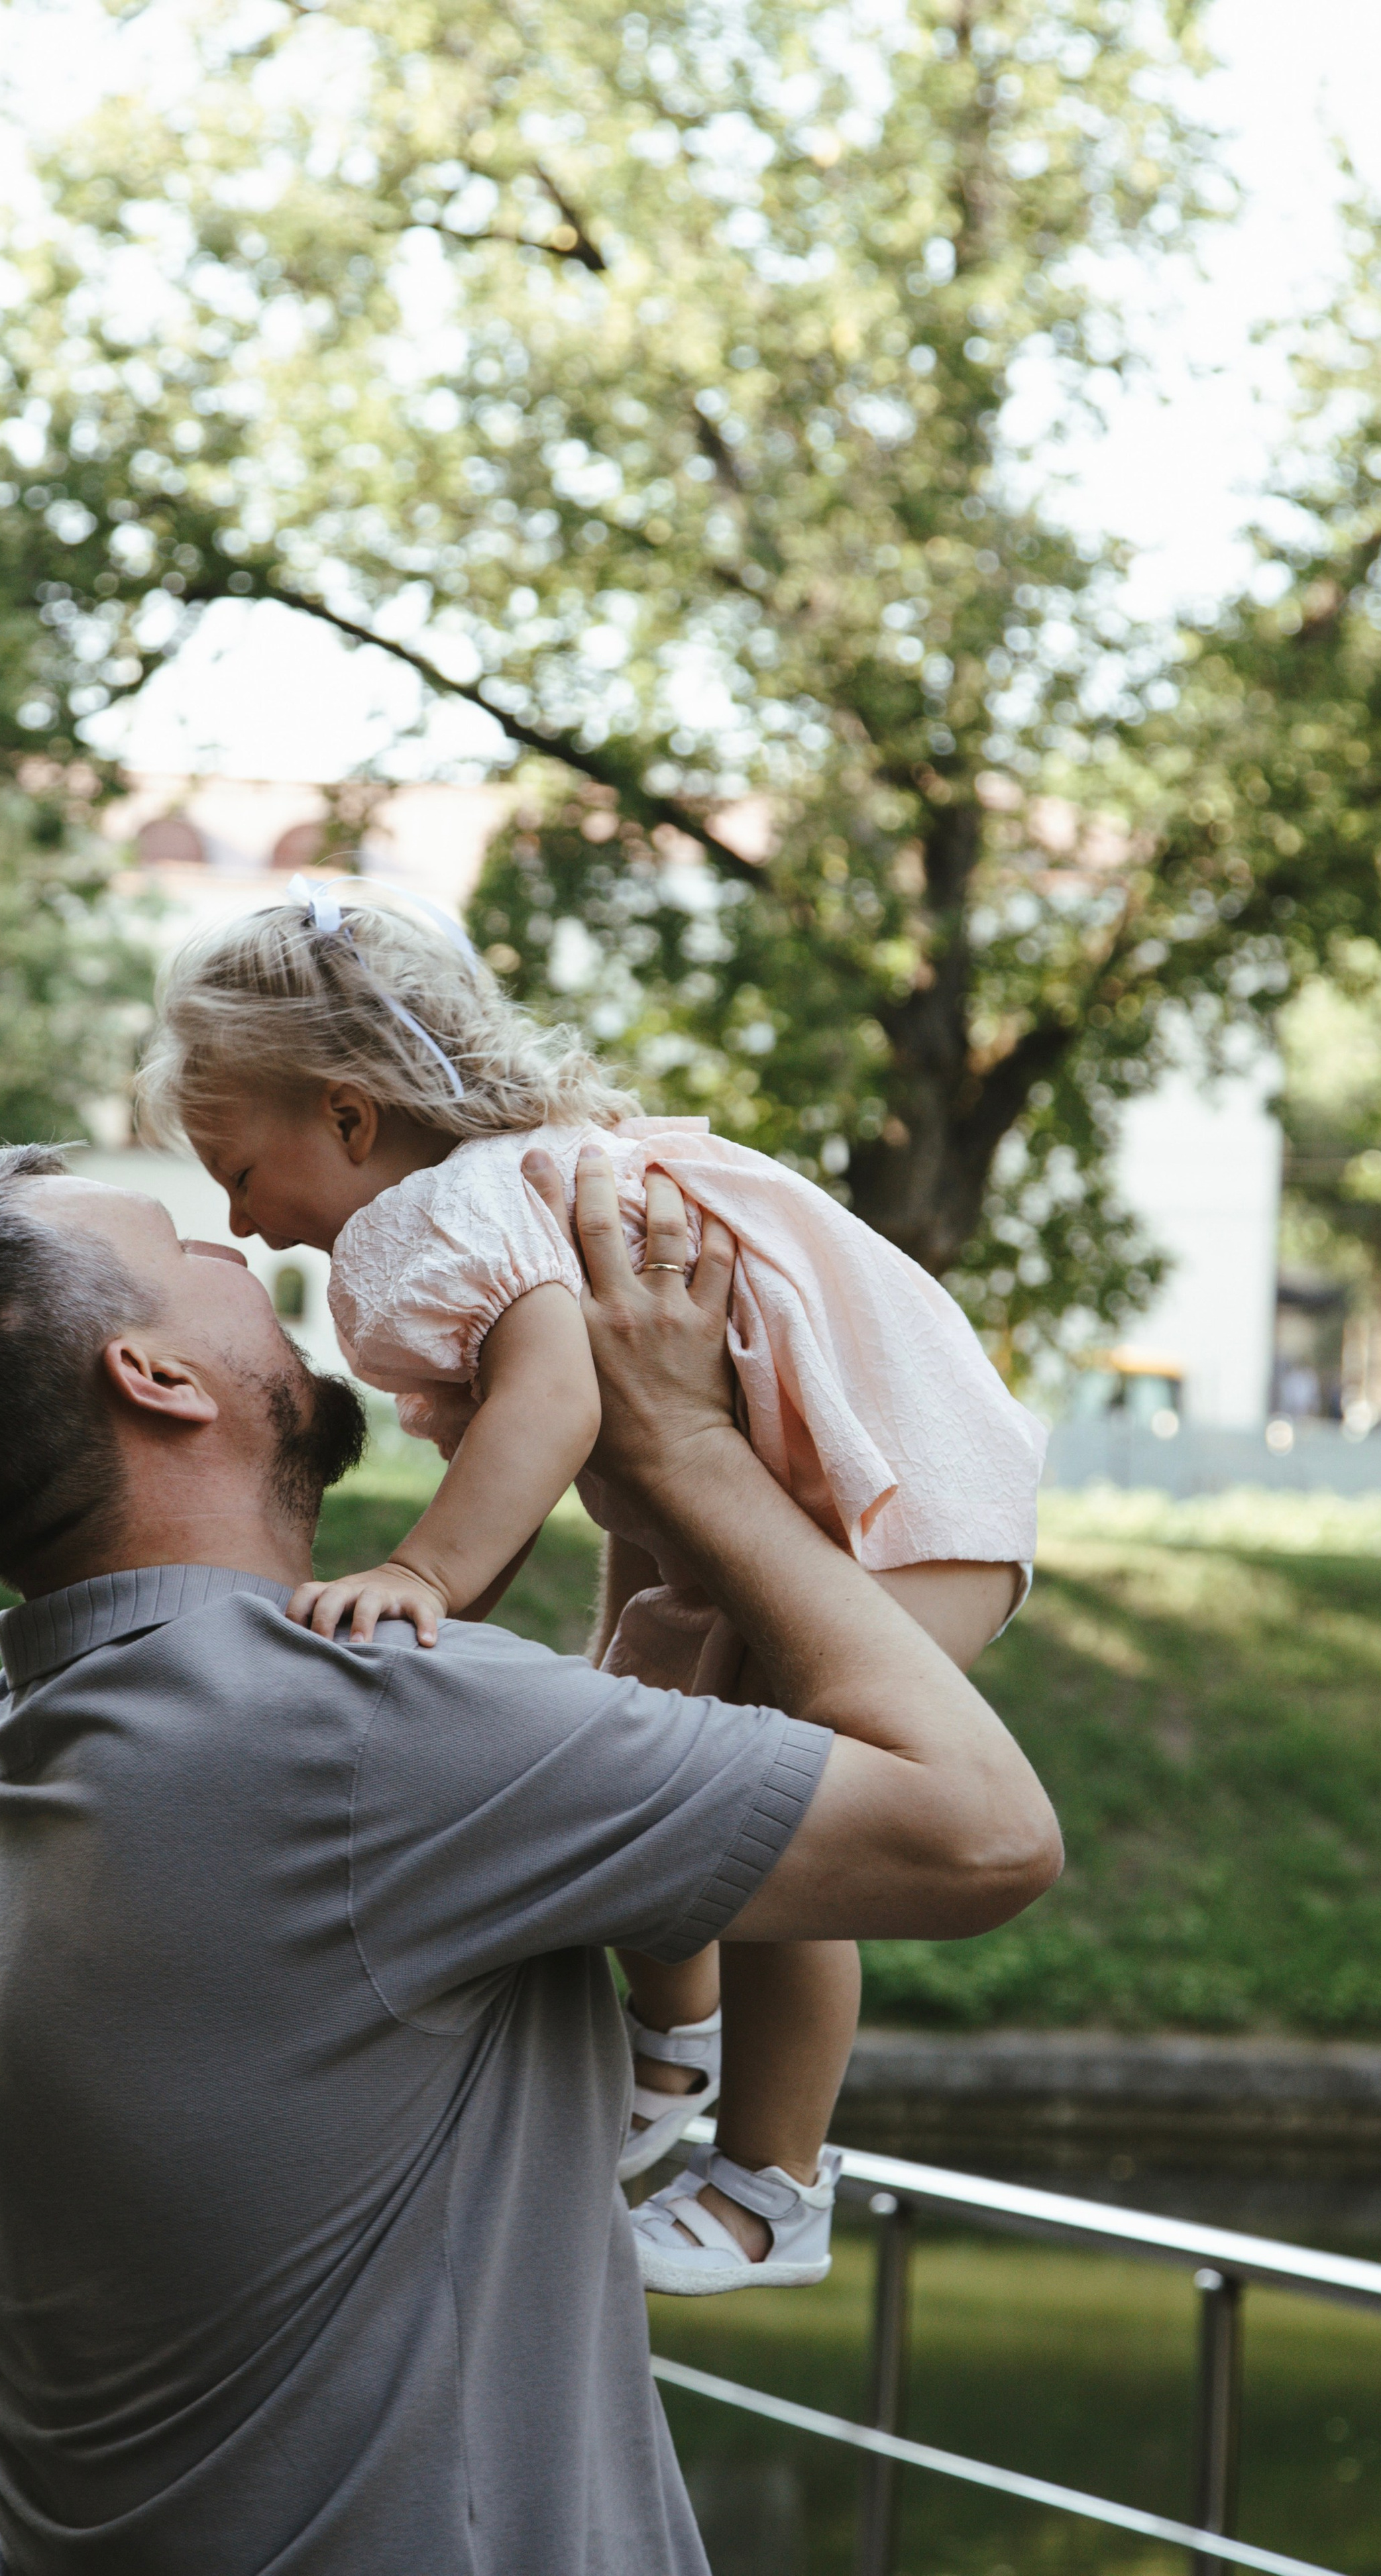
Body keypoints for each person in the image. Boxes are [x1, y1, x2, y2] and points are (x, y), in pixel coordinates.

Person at [0, 1138, 1060, 2576]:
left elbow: (454, 1832)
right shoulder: (345, 1728)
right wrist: (684, 1446)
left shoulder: (54, 1717)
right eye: (183, 1248)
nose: (240, 1244)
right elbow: (985, 1836)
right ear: (156, 1378)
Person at [137, 879, 1047, 2290]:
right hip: (868, 1489)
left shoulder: (441, 1214)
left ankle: (769, 2187)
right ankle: (672, 2057)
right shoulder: (522, 1182)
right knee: (662, 1770)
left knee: (786, 1840)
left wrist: (419, 1568)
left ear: (349, 1116)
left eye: (238, 1173)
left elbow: (555, 1404)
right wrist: (443, 1603)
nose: (244, 1226)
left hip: (891, 1511)